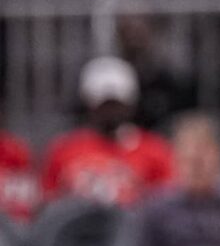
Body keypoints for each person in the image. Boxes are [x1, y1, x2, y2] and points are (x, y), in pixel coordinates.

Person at [40, 56, 175, 206]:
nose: (111, 112)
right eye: (104, 105)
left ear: (131, 104)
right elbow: (49, 203)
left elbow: (167, 204)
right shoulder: (63, 149)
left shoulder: (155, 150)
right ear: (89, 105)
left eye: (116, 104)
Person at [134, 114, 220, 246]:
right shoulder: (156, 210)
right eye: (188, 160)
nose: (194, 168)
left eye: (200, 161)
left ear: (219, 157)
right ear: (175, 160)